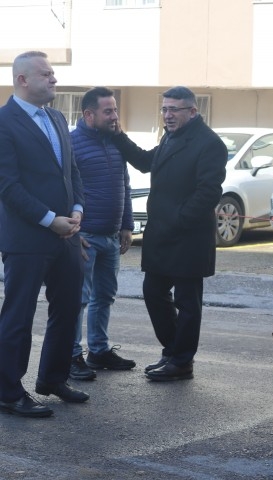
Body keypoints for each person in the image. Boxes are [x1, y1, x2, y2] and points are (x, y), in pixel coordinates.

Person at [111, 86, 227, 382]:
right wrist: (118, 136)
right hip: (162, 234)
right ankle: (174, 351)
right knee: (153, 291)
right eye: (164, 109)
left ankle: (181, 361)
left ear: (192, 111)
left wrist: (179, 219)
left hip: (188, 236)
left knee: (188, 302)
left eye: (174, 109)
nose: (167, 115)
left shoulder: (208, 143)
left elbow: (209, 191)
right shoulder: (170, 136)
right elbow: (145, 162)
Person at [0, 51, 90, 418]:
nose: (54, 80)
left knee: (68, 308)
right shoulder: (4, 122)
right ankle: (7, 391)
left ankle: (53, 378)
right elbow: (7, 185)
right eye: (46, 74)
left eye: (53, 73)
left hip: (66, 235)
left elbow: (72, 172)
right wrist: (49, 219)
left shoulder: (56, 117)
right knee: (18, 316)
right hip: (27, 238)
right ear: (22, 80)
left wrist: (78, 211)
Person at [68, 87, 136, 382]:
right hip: (84, 236)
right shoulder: (71, 144)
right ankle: (71, 356)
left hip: (111, 236)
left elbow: (126, 185)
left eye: (115, 110)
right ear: (88, 114)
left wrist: (127, 225)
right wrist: (72, 231)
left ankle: (98, 351)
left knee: (104, 297)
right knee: (78, 299)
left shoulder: (116, 142)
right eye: (108, 111)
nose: (114, 116)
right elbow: (64, 190)